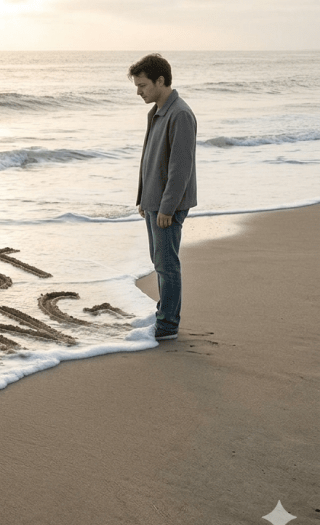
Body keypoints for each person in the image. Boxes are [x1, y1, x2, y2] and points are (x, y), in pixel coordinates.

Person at [128, 53, 197, 341]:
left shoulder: (179, 114)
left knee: (167, 265)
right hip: (154, 203)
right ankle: (163, 314)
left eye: (142, 85)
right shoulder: (156, 111)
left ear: (160, 81)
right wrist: (144, 200)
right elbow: (150, 159)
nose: (138, 91)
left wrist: (167, 207)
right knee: (160, 262)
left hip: (168, 206)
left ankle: (168, 325)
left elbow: (180, 168)